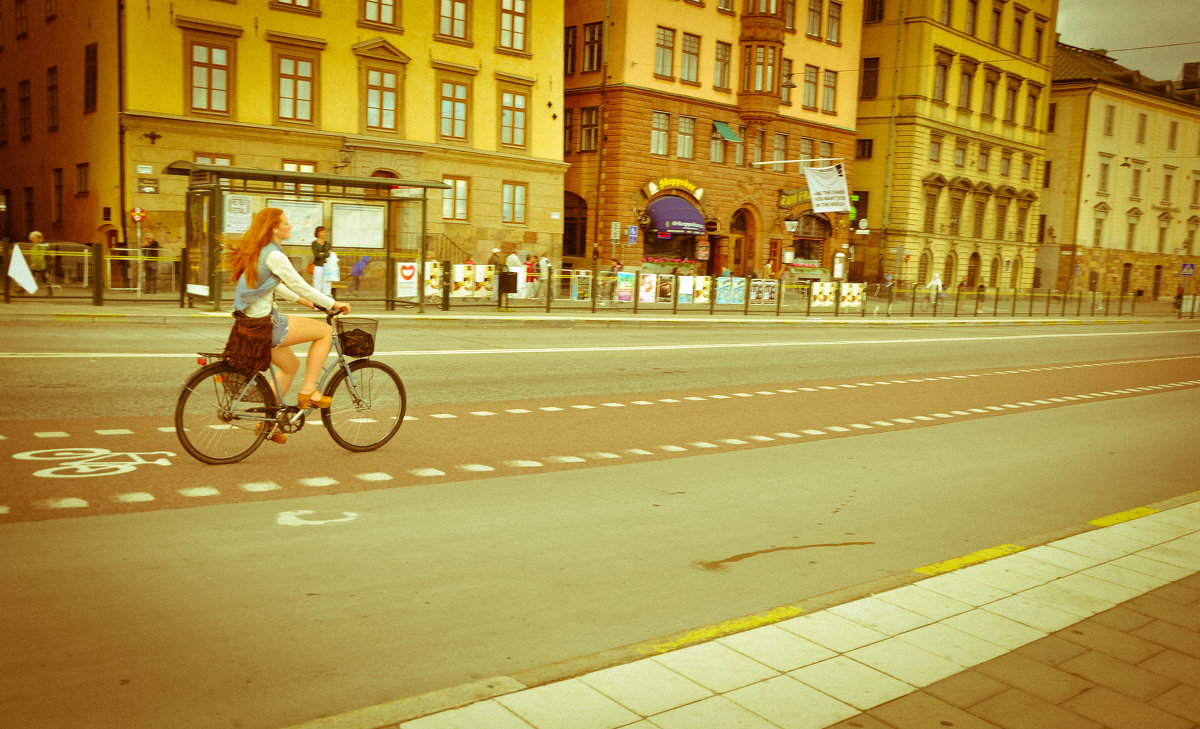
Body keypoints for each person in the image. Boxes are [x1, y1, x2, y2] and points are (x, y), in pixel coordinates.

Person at [225, 208, 350, 443]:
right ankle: (309, 391)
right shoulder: (274, 255)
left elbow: (274, 283)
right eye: (286, 223)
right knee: (324, 331)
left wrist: (300, 301)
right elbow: (298, 283)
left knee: (290, 365)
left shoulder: (260, 252)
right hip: (264, 326)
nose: (289, 226)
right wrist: (333, 303)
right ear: (274, 228)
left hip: (248, 325)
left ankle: (267, 423)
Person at [310, 226, 332, 296]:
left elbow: (329, 255)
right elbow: (316, 255)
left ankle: (326, 298)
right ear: (318, 233)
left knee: (326, 283)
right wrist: (325, 254)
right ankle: (317, 298)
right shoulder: (314, 243)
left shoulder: (328, 244)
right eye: (322, 232)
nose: (324, 234)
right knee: (317, 283)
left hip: (327, 266)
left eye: (325, 232)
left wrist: (322, 254)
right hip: (318, 266)